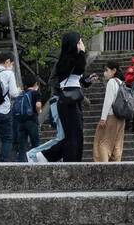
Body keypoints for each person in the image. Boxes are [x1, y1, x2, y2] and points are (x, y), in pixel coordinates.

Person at [36, 31, 97, 163]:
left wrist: (87, 80)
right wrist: (82, 52)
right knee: (72, 136)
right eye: (79, 42)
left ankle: (49, 157)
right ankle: (48, 156)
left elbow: (77, 77)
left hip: (73, 100)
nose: (82, 44)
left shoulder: (73, 60)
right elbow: (78, 68)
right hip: (66, 101)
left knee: (77, 135)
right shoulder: (65, 60)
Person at [93, 61, 126, 162]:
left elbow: (108, 101)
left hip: (111, 116)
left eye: (106, 70)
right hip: (121, 118)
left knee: (103, 143)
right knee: (117, 145)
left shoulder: (111, 82)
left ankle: (104, 166)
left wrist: (103, 118)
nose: (104, 73)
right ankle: (116, 166)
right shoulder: (122, 83)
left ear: (114, 70)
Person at [15, 74, 42, 162]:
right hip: (31, 120)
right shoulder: (35, 93)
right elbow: (38, 105)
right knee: (35, 143)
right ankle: (36, 162)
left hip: (21, 121)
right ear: (35, 84)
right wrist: (39, 111)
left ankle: (21, 163)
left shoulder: (22, 94)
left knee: (22, 145)